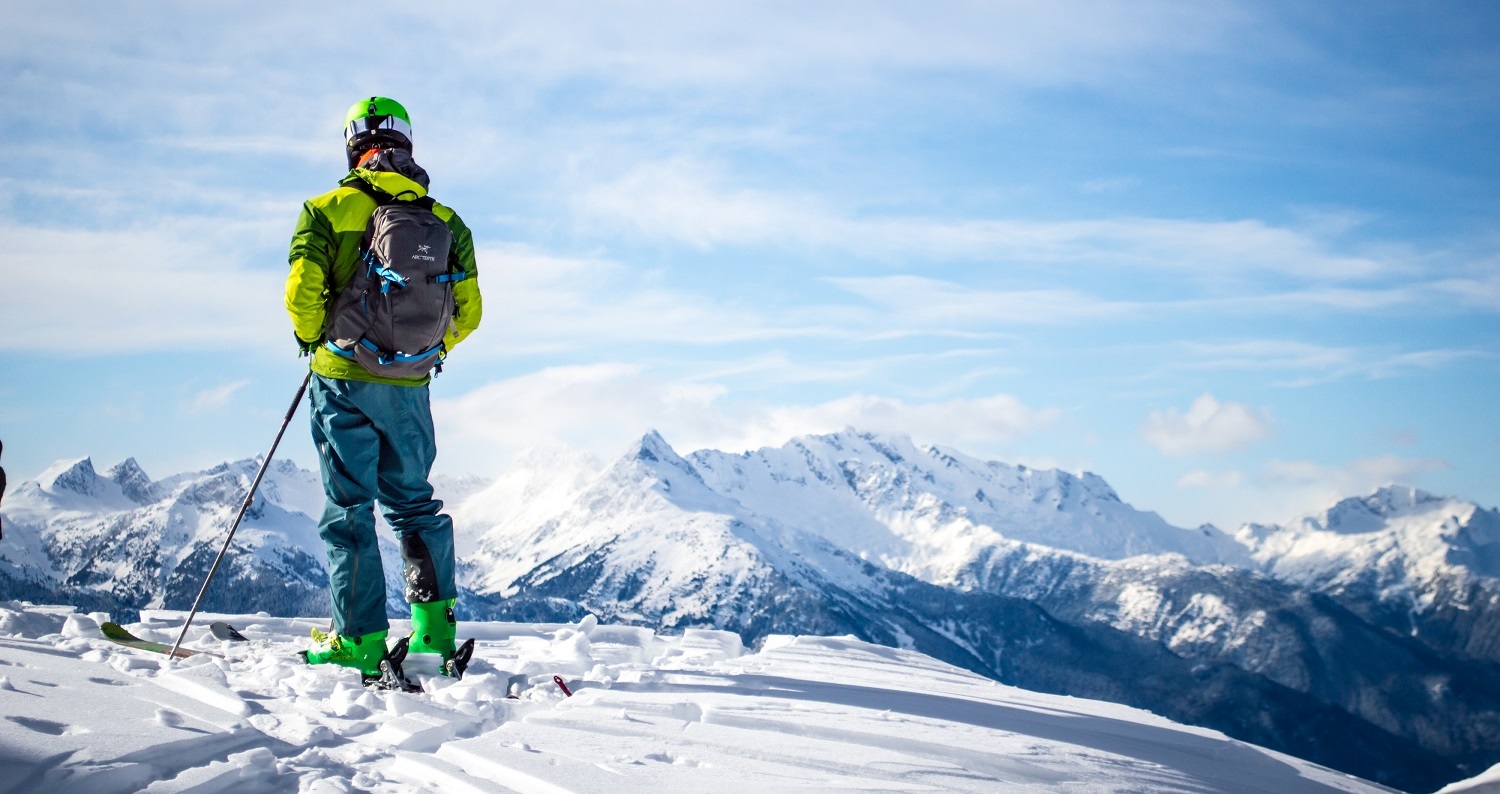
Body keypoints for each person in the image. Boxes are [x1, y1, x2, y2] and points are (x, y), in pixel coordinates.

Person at [285, 97, 481, 681]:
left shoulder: (325, 210)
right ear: (407, 143)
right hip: (411, 385)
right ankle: (434, 632)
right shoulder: (447, 222)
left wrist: (316, 341)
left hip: (343, 380)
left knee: (349, 507)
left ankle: (361, 639)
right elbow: (468, 313)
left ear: (353, 145)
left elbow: (301, 293)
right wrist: (427, 355)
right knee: (413, 502)